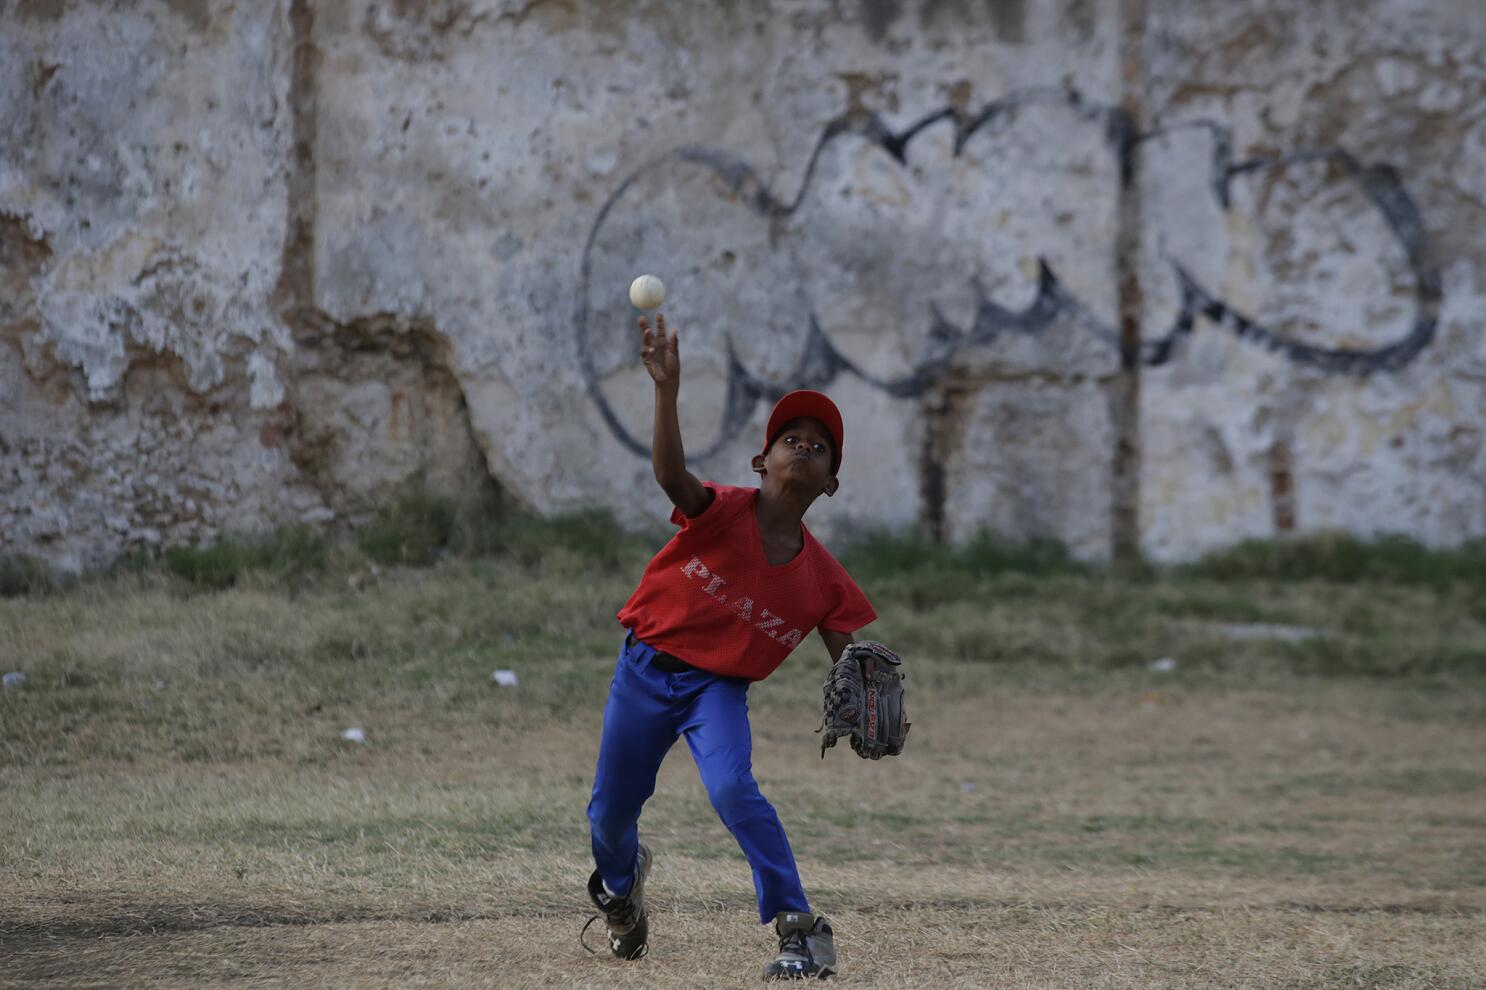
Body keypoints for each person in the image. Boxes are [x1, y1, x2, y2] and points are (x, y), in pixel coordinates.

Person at [584, 312, 878, 980]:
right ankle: (622, 892)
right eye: (791, 439)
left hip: (716, 690)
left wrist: (869, 699)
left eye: (820, 447)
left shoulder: (824, 580)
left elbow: (855, 659)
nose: (804, 448)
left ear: (830, 483)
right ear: (761, 460)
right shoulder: (720, 508)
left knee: (733, 789)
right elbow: (670, 476)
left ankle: (800, 927)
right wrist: (666, 390)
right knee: (609, 816)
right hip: (644, 671)